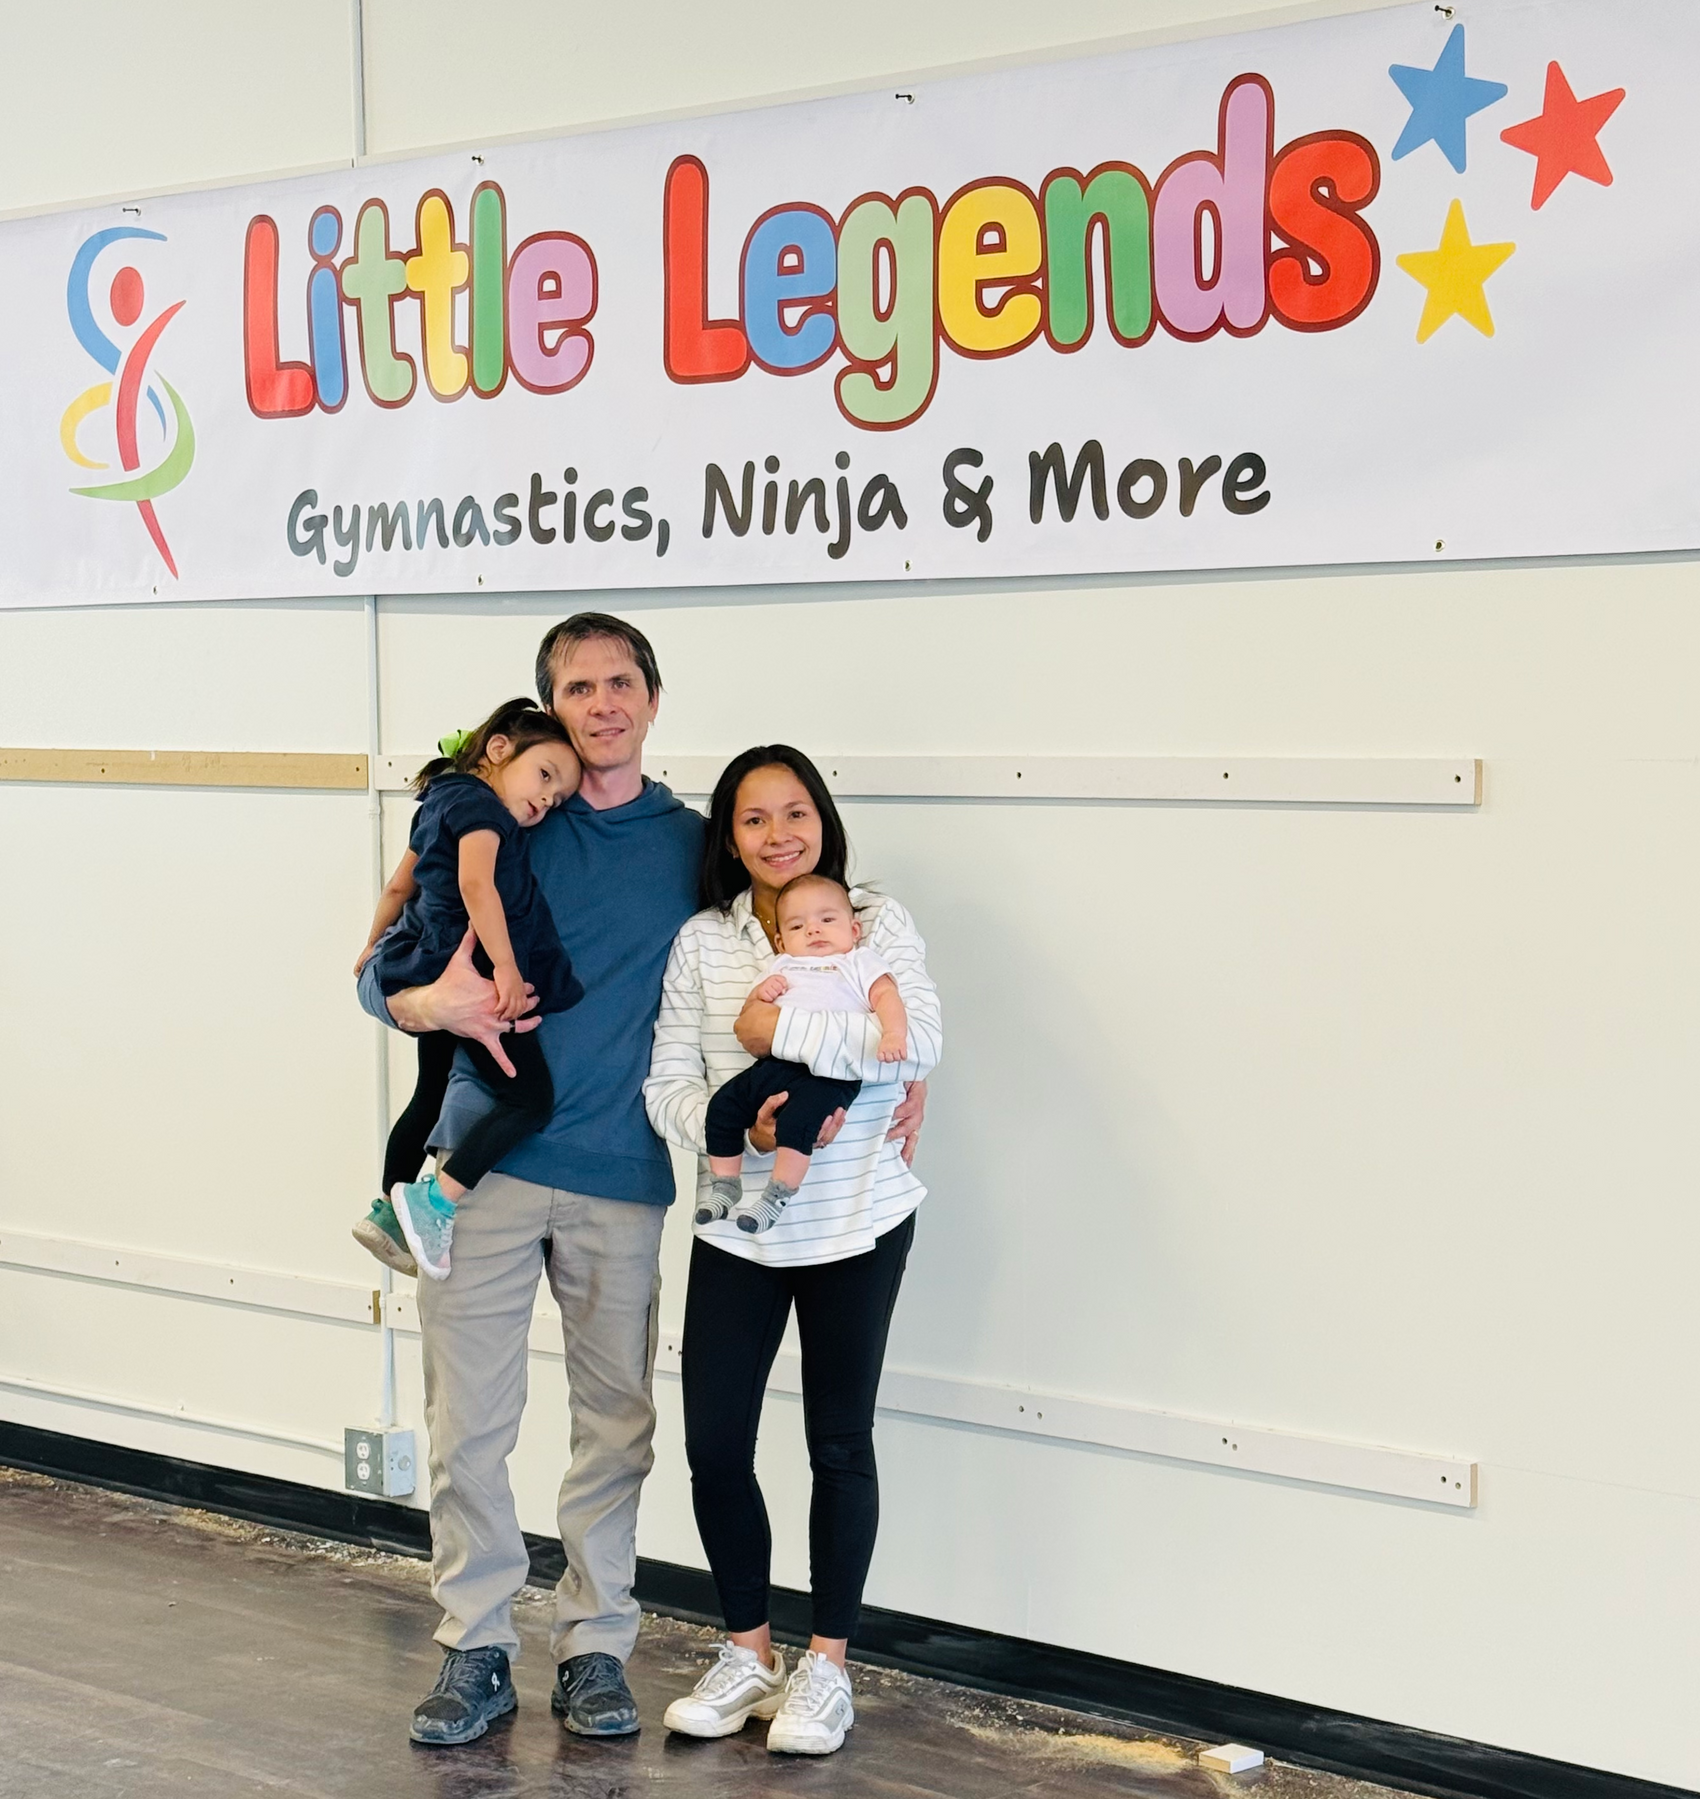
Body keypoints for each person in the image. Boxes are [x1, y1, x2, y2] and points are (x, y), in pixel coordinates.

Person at [644, 746, 942, 1757]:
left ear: (823, 819)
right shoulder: (703, 941)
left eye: (795, 812)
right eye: (753, 818)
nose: (778, 835)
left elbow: (918, 1043)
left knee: (838, 1443)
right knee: (714, 1447)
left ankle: (827, 1668)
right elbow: (668, 1083)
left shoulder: (874, 919)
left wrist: (782, 1032)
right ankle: (747, 1653)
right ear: (728, 837)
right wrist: (746, 1125)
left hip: (859, 1218)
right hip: (738, 1223)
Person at [352, 699, 585, 1280]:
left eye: (558, 798)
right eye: (545, 776)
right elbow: (477, 885)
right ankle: (435, 1202)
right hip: (472, 976)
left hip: (427, 966)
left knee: (431, 1090)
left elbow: (398, 886)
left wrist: (373, 946)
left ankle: (388, 1209)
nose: (546, 800)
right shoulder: (483, 809)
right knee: (529, 1101)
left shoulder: (439, 799)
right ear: (499, 749)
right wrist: (505, 968)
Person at [701, 871, 908, 1234]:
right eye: (798, 926)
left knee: (798, 1124)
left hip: (831, 1072)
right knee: (722, 1106)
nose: (813, 930)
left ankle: (776, 1196)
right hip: (777, 1063)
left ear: (854, 930)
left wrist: (893, 1033)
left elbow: (887, 998)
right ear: (781, 942)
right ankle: (725, 1184)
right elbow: (749, 1020)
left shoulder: (859, 963)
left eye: (827, 920)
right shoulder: (782, 966)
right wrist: (760, 994)